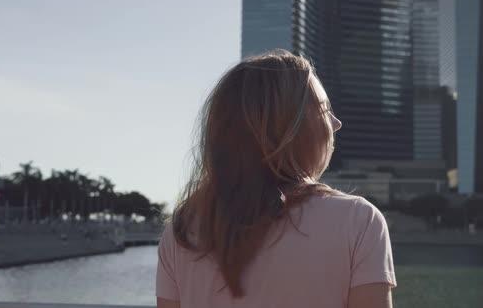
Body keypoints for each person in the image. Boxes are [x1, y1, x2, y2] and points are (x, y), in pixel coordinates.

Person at [156, 50, 396, 308]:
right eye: (325, 109)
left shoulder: (182, 231)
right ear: (289, 126)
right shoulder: (358, 220)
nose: (336, 123)